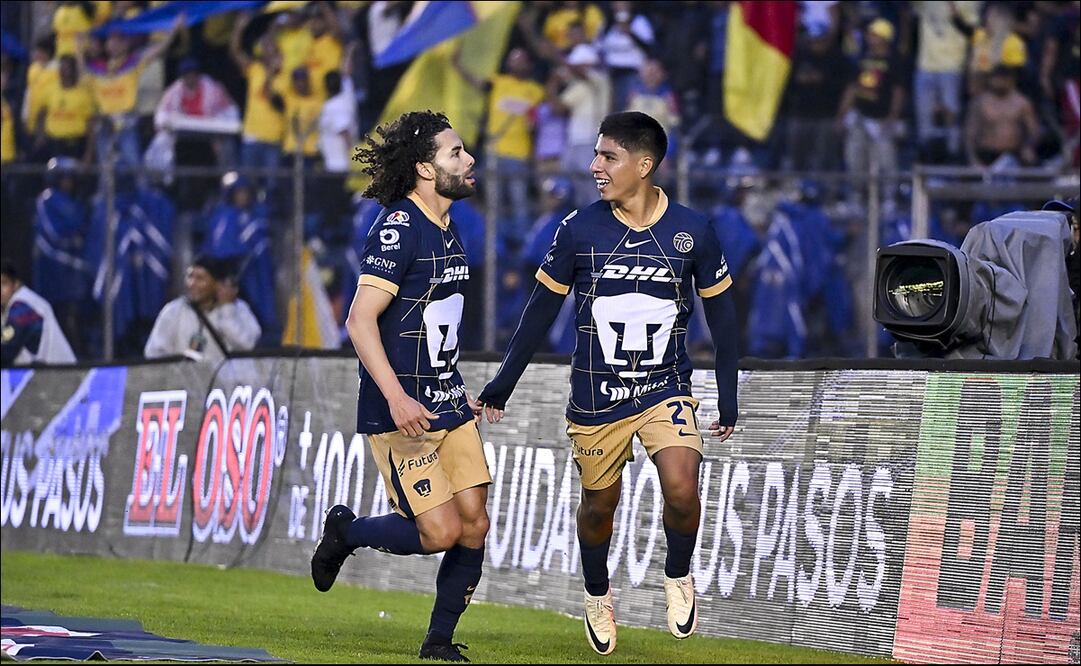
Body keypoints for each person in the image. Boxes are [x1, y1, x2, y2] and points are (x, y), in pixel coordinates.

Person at [476, 112, 739, 656]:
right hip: (596, 400)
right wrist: (503, 382)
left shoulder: (694, 231)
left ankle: (678, 574)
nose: (595, 166)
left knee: (683, 487)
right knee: (600, 507)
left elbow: (725, 320)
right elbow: (537, 312)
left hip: (666, 389)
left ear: (644, 165)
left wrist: (729, 395)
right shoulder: (578, 229)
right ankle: (598, 592)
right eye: (595, 155)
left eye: (607, 157)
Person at [311, 111, 490, 663]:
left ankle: (438, 642)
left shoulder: (447, 226)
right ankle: (347, 531)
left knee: (474, 523)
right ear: (424, 168)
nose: (469, 159)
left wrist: (461, 390)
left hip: (448, 401)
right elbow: (360, 320)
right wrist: (396, 396)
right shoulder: (398, 227)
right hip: (401, 409)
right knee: (438, 532)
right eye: (456, 152)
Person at [143, 255, 261, 361]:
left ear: (217, 283)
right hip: (185, 382)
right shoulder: (174, 310)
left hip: (225, 384)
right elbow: (154, 353)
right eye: (190, 276)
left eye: (200, 278)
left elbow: (247, 346)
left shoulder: (239, 308)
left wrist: (227, 310)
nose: (192, 284)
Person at [1, 260, 76, 365]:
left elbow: (6, 351)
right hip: (50, 374)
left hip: (62, 376)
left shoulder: (23, 306)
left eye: (4, 283)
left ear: (16, 284)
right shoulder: (13, 304)